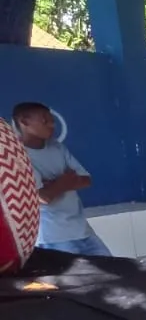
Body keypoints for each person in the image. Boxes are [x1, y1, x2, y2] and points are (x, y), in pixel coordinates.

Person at [12, 100, 112, 256]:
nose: (52, 125)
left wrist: (55, 184)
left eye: (52, 121)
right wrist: (65, 181)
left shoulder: (58, 147)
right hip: (53, 236)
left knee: (111, 267)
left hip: (82, 230)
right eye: (45, 120)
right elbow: (44, 197)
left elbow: (86, 180)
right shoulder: (18, 156)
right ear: (24, 122)